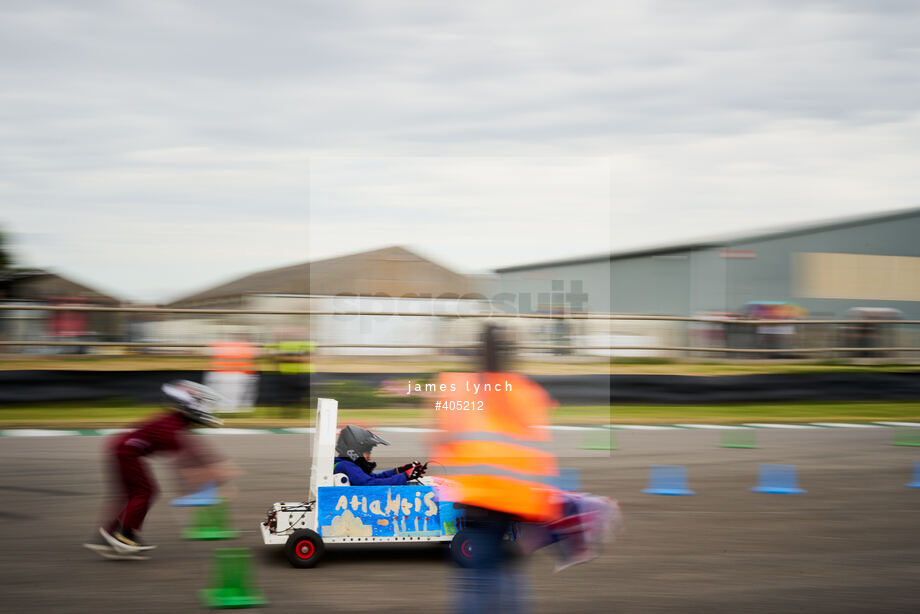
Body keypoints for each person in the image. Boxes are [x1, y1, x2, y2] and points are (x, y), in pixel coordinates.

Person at [84, 380, 236, 558]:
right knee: (144, 492)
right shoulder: (171, 427)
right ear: (190, 404)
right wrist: (197, 485)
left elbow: (195, 450)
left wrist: (214, 469)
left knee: (131, 494)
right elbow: (185, 461)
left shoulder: (175, 422)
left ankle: (110, 535)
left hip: (124, 449)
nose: (207, 409)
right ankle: (125, 535)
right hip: (127, 453)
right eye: (203, 404)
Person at [333, 425, 426, 486]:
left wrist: (398, 471)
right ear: (354, 451)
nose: (369, 457)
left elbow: (374, 477)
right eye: (367, 452)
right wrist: (405, 476)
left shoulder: (343, 464)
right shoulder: (346, 466)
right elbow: (371, 484)